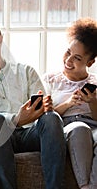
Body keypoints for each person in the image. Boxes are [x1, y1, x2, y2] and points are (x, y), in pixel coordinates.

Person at [0, 23, 66, 189]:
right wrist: (17, 119)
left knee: (51, 118)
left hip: (29, 134)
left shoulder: (26, 72)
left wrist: (45, 108)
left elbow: (40, 107)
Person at [43, 17, 97, 189]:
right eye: (68, 52)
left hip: (93, 127)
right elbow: (46, 119)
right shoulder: (50, 80)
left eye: (77, 58)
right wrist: (68, 103)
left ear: (90, 62)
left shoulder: (95, 82)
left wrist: (93, 103)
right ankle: (84, 185)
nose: (68, 60)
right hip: (66, 127)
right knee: (80, 128)